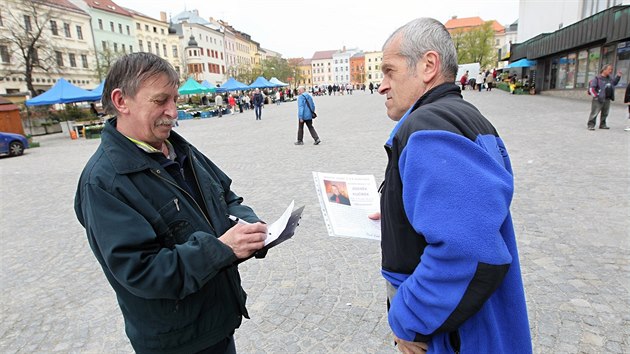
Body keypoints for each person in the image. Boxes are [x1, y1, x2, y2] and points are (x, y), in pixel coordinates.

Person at [74, 52, 268, 354]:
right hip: (176, 342)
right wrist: (222, 249)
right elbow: (142, 271)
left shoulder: (179, 148)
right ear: (121, 101)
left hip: (217, 322)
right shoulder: (103, 182)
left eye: (175, 99)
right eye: (160, 100)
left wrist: (249, 226)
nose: (173, 112)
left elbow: (226, 196)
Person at [372, 17, 532, 353]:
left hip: (456, 336)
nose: (381, 85)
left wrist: (409, 320)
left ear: (428, 65)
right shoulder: (464, 115)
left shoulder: (427, 126)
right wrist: (397, 210)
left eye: (389, 71)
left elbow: (466, 250)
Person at [587, 64, 622, 130]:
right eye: (609, 69)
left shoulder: (610, 78)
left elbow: (614, 83)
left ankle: (603, 124)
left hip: (607, 98)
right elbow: (591, 89)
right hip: (598, 99)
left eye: (611, 69)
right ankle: (591, 125)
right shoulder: (597, 78)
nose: (611, 71)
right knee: (594, 112)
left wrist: (618, 76)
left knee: (605, 113)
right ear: (604, 70)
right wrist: (596, 96)